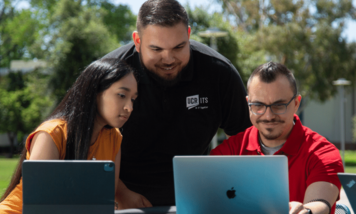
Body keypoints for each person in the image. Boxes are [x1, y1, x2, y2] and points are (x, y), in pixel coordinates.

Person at [101, 0, 251, 207]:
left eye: (179, 47)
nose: (169, 59)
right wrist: (120, 193)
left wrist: (228, 191)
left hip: (198, 198)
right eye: (156, 49)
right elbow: (86, 144)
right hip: (123, 200)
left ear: (189, 35)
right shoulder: (108, 76)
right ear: (137, 41)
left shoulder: (219, 73)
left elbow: (247, 142)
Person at [0, 58, 140, 214]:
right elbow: (40, 206)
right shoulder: (52, 134)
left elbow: (104, 202)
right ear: (95, 92)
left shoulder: (114, 137)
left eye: (133, 99)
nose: (129, 107)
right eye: (122, 95)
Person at [210, 62, 344, 214]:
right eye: (258, 105)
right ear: (248, 105)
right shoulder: (229, 151)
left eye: (279, 106)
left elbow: (320, 204)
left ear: (296, 104)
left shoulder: (322, 154)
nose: (268, 115)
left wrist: (305, 211)